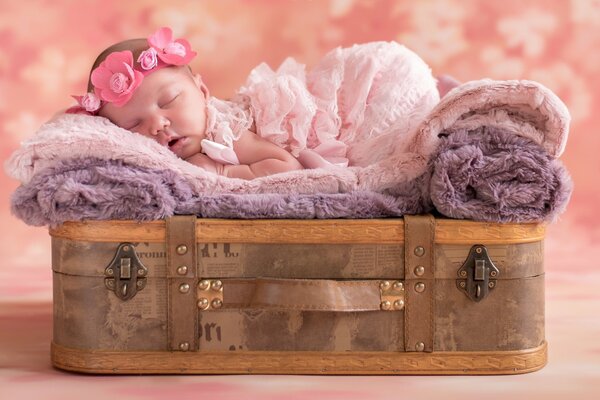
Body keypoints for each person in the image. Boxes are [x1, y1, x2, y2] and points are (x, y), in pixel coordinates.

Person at [70, 27, 439, 179]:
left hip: (357, 98)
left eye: (168, 101)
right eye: (134, 125)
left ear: (202, 91)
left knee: (387, 142)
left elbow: (286, 164)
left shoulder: (226, 131)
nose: (157, 125)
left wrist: (224, 174)